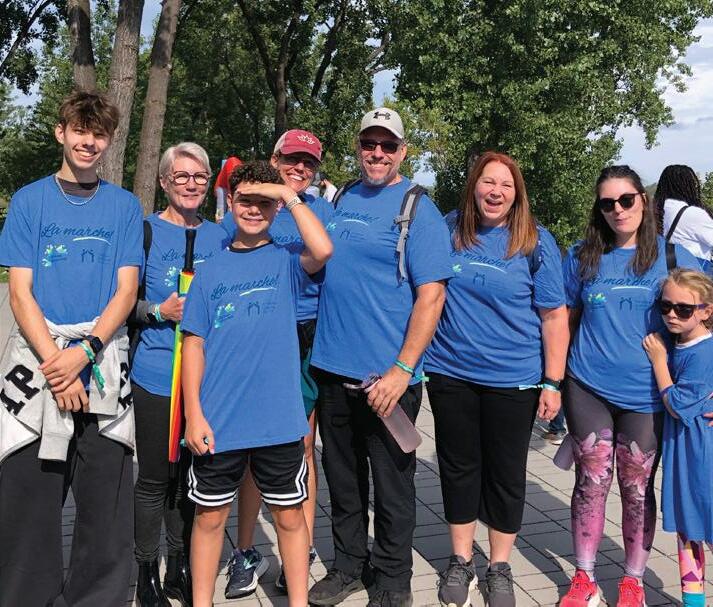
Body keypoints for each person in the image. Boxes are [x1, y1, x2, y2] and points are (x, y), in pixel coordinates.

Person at [0, 90, 142, 606]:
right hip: (38, 362)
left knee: (106, 503)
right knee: (27, 496)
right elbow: (20, 292)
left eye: (98, 134)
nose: (88, 142)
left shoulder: (124, 206)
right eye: (80, 131)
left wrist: (85, 351)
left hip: (101, 360)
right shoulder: (29, 201)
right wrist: (56, 366)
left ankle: (97, 597)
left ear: (109, 140)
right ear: (61, 132)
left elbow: (126, 290)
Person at [307, 107, 453, 607]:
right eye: (369, 143)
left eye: (388, 145)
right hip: (332, 367)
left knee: (392, 486)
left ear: (402, 152)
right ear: (358, 147)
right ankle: (348, 566)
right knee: (343, 481)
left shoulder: (418, 209)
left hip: (387, 379)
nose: (377, 153)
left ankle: (393, 580)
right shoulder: (342, 197)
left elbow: (432, 296)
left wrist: (402, 370)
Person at [181, 161, 332, 607]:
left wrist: (285, 193)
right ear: (230, 201)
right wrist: (194, 413)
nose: (253, 209)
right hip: (220, 420)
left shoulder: (286, 260)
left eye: (263, 202)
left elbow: (323, 248)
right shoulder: (210, 271)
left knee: (289, 518)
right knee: (210, 519)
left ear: (275, 207)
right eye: (245, 200)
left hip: (278, 420)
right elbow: (194, 345)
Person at [424, 151, 568, 607]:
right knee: (459, 469)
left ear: (517, 194)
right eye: (488, 182)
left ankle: (499, 566)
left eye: (506, 185)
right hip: (451, 373)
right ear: (474, 187)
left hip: (514, 379)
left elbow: (554, 316)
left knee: (505, 474)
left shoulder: (535, 241)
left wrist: (553, 382)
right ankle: (461, 560)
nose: (496, 192)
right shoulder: (450, 229)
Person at [558, 165, 699, 607]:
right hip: (587, 385)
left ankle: (633, 580)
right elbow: (563, 319)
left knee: (636, 488)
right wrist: (551, 381)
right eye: (607, 203)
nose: (618, 209)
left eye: (626, 199)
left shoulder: (674, 255)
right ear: (598, 209)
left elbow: (704, 321)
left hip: (648, 393)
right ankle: (584, 578)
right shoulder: (582, 256)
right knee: (591, 480)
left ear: (644, 200)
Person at [220, 130, 334, 598]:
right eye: (291, 159)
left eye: (308, 162)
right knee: (253, 446)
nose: (299, 168)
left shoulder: (321, 210)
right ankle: (246, 549)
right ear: (274, 158)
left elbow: (324, 254)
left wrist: (290, 197)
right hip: (255, 335)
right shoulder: (249, 203)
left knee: (302, 446)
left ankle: (298, 553)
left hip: (303, 335)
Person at [130, 142, 229, 607]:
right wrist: (159, 311)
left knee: (191, 479)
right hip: (155, 376)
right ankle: (145, 572)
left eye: (199, 177)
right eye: (181, 176)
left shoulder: (220, 236)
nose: (191, 184)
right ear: (164, 182)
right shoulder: (145, 232)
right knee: (156, 478)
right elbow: (121, 302)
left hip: (205, 383)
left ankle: (180, 566)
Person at [643, 269, 713, 607]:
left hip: (701, 452)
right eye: (665, 306)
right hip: (685, 449)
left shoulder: (702, 352)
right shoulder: (680, 342)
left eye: (684, 309)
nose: (672, 314)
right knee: (688, 530)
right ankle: (693, 602)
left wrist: (659, 362)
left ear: (705, 310)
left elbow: (678, 405)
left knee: (702, 521)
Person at [654, 164, 713, 274]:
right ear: (688, 186)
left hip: (660, 274)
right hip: (692, 276)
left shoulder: (652, 211)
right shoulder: (693, 214)